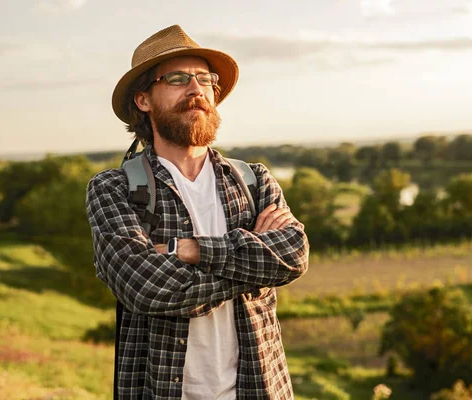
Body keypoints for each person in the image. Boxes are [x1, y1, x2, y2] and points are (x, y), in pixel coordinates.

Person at [85, 25, 309, 400]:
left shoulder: (253, 180)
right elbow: (149, 289)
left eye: (205, 79)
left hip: (260, 388)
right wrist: (255, 264)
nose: (196, 90)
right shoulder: (115, 188)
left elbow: (293, 256)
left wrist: (191, 250)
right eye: (177, 78)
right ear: (143, 100)